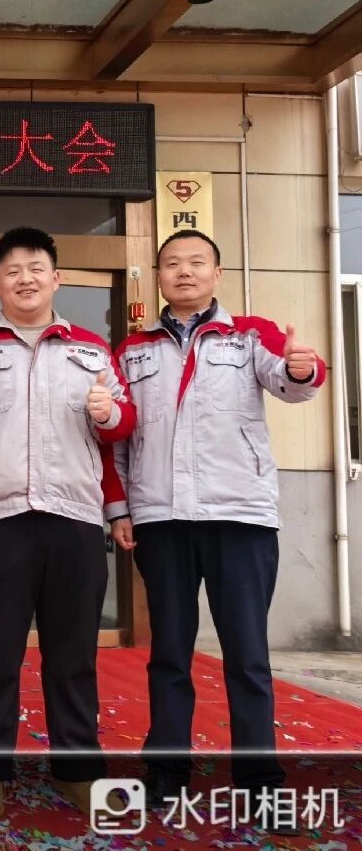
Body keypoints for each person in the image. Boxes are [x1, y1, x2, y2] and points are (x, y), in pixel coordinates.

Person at [0, 227, 135, 819]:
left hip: (73, 518)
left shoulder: (91, 349)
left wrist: (109, 412)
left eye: (36, 268)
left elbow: (122, 426)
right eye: (12, 271)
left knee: (73, 654)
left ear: (56, 278)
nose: (25, 279)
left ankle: (77, 769)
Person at [109, 230, 325, 824]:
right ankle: (166, 773)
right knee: (169, 654)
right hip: (162, 519)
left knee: (247, 655)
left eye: (196, 262)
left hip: (240, 518)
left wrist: (304, 369)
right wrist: (120, 508)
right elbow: (119, 436)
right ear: (158, 275)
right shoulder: (133, 351)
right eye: (172, 263)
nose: (184, 271)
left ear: (217, 273)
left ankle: (260, 783)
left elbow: (291, 380)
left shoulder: (251, 334)